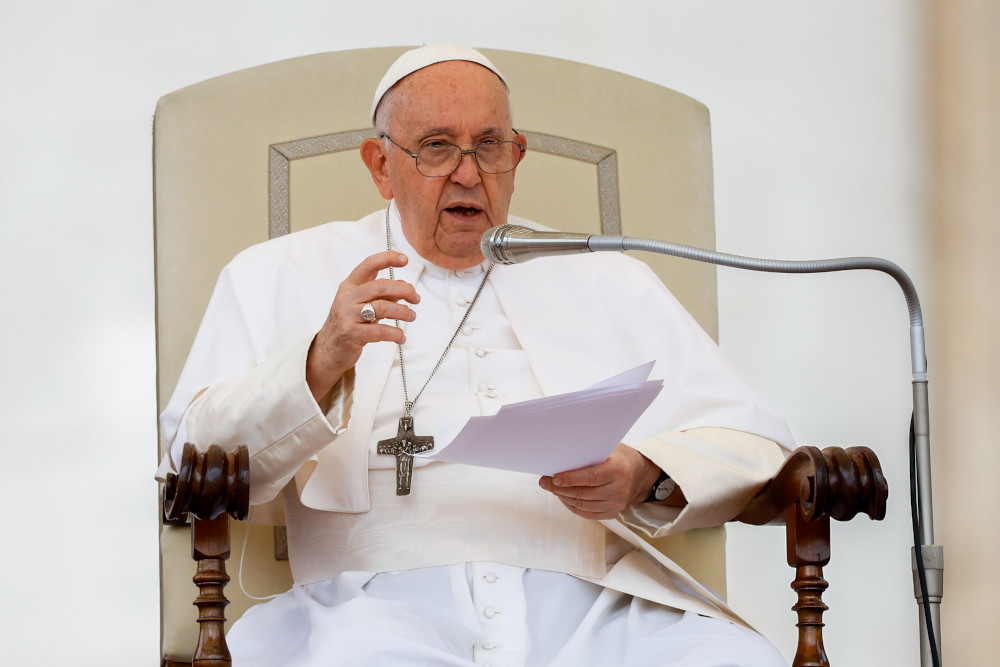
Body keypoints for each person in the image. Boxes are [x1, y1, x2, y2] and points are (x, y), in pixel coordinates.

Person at [157, 43, 794, 666]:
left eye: (489, 146)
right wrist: (321, 359)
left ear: (516, 157)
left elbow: (754, 438)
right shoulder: (277, 273)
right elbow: (191, 455)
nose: (469, 173)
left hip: (592, 609)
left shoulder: (605, 275)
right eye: (437, 146)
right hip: (366, 604)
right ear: (381, 165)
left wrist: (644, 472)